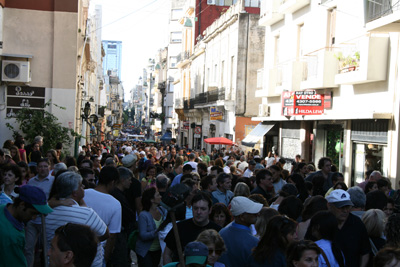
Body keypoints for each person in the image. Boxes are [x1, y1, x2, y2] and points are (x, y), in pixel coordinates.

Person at [45, 171, 109, 267]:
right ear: (74, 193)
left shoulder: (47, 213)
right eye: (80, 185)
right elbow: (105, 233)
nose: (83, 186)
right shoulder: (86, 213)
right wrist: (87, 245)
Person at [0, 185, 53, 266]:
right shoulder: (12, 237)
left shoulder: (3, 208)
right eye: (33, 213)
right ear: (22, 205)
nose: (34, 218)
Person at [163, 192, 221, 264]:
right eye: (196, 208)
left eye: (203, 209)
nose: (198, 212)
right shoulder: (180, 227)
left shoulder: (218, 231)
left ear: (210, 210)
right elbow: (167, 254)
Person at [84, 166, 122, 265]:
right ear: (113, 182)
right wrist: (106, 257)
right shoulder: (115, 204)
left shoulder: (83, 194)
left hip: (77, 246)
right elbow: (112, 235)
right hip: (98, 252)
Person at [326, 189, 370, 267]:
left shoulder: (357, 223)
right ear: (329, 206)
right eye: (341, 207)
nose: (345, 210)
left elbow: (365, 251)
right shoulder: (323, 222)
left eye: (348, 207)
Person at [25, 158, 55, 267]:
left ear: (50, 167)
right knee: (28, 247)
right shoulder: (32, 181)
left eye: (45, 166)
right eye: (40, 167)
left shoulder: (53, 181)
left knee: (47, 247)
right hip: (32, 218)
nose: (43, 169)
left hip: (46, 218)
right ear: (37, 168)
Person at [219, 196, 263, 267]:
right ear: (242, 217)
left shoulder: (222, 233)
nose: (257, 214)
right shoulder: (253, 242)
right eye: (253, 212)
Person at [136, 187, 166, 267]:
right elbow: (142, 235)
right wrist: (158, 232)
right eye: (158, 195)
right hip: (145, 252)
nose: (161, 197)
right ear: (152, 200)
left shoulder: (161, 210)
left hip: (157, 250)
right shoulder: (143, 215)